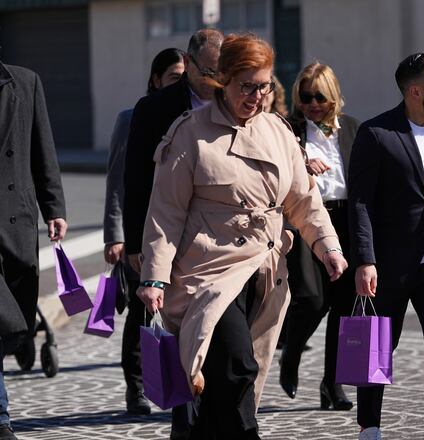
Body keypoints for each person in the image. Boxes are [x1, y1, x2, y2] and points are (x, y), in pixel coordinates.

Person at [136, 33, 347, 439]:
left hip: (266, 272)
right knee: (238, 367)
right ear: (223, 80)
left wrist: (328, 247)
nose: (256, 95)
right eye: (246, 85)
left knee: (225, 386)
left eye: (264, 85)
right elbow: (165, 212)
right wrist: (153, 277)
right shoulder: (189, 133)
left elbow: (304, 200)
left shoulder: (277, 130)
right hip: (207, 274)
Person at [348, 52, 424, 440]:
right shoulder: (376, 134)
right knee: (377, 348)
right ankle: (370, 428)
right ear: (416, 91)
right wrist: (365, 260)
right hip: (390, 265)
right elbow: (361, 202)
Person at [122, 28, 222, 439]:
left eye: (223, 71)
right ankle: (183, 416)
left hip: (218, 241)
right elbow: (135, 179)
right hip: (170, 238)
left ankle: (212, 409)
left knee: (216, 332)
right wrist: (133, 243)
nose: (216, 79)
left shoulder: (231, 99)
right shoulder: (154, 108)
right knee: (180, 329)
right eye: (209, 71)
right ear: (190, 62)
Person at [103, 47, 185, 415]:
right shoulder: (133, 116)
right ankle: (135, 386)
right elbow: (119, 180)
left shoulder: (195, 117)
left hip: (183, 230)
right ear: (156, 80)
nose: (180, 84)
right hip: (144, 229)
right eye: (173, 77)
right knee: (141, 312)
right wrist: (117, 234)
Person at [278, 62, 360, 410]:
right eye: (305, 97)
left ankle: (333, 385)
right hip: (305, 220)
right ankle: (291, 354)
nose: (312, 104)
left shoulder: (354, 129)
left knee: (344, 307)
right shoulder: (289, 130)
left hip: (346, 221)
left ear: (334, 96)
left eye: (319, 97)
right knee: (312, 299)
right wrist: (301, 161)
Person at [0, 60, 68, 440]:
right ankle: (1, 417)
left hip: (14, 220)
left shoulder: (25, 83)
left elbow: (43, 149)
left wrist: (54, 208)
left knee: (15, 320)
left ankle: (20, 342)